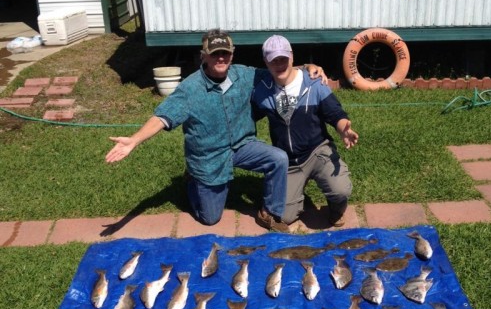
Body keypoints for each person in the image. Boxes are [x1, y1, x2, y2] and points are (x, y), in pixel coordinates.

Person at [106, 29, 325, 233]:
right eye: (215, 54)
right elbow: (162, 117)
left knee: (278, 158)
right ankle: (193, 179)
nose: (221, 58)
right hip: (209, 156)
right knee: (210, 218)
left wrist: (307, 67)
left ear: (232, 54)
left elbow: (279, 70)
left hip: (242, 145)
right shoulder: (190, 89)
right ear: (204, 56)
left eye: (225, 53)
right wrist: (134, 140)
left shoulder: (245, 75)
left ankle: (269, 212)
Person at [252, 35, 359, 228]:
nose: (279, 64)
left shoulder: (314, 82)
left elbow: (334, 113)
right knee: (282, 217)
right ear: (265, 62)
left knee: (340, 190)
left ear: (292, 57)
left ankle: (336, 208)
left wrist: (344, 128)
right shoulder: (262, 91)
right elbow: (248, 117)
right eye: (273, 60)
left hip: (317, 152)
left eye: (283, 58)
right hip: (288, 161)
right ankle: (295, 195)